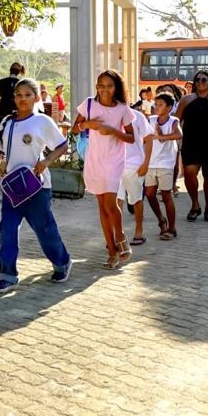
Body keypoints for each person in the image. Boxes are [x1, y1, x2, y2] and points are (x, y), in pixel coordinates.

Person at [0, 78, 72, 293]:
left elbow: (62, 145)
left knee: (45, 230)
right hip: (12, 187)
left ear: (36, 97)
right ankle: (7, 275)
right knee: (7, 230)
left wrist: (46, 161)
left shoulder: (42, 121)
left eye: (27, 94)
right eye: (18, 95)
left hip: (37, 186)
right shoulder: (7, 122)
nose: (22, 98)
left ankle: (62, 262)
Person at [71, 70, 136, 268]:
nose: (104, 89)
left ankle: (121, 237)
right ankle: (112, 251)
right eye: (101, 85)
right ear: (96, 86)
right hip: (94, 159)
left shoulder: (122, 109)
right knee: (102, 206)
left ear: (116, 87)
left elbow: (131, 138)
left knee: (110, 203)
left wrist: (114, 131)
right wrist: (87, 124)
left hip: (114, 160)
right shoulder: (89, 104)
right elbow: (74, 129)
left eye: (109, 85)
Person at [174, 70, 208, 222]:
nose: (200, 82)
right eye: (197, 80)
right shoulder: (186, 100)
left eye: (204, 80)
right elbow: (176, 120)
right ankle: (195, 204)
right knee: (189, 173)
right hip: (191, 142)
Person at [143, 93, 181, 240]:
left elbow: (179, 135)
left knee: (166, 195)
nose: (157, 107)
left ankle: (172, 228)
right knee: (149, 194)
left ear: (169, 108)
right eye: (156, 104)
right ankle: (161, 220)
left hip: (166, 163)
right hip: (151, 162)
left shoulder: (173, 121)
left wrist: (161, 137)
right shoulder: (151, 120)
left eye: (160, 104)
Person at [119, 100, 155, 246]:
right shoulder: (108, 116)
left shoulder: (137, 116)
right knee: (117, 201)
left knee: (136, 199)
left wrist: (146, 163)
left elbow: (149, 139)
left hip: (134, 165)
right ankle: (118, 234)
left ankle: (138, 231)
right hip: (115, 165)